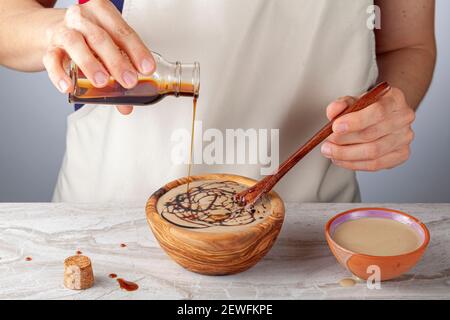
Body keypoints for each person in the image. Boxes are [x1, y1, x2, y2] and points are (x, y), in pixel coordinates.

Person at [0, 0, 436, 203]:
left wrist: (387, 112)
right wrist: (54, 30)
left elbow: (407, 46)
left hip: (307, 238)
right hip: (112, 231)